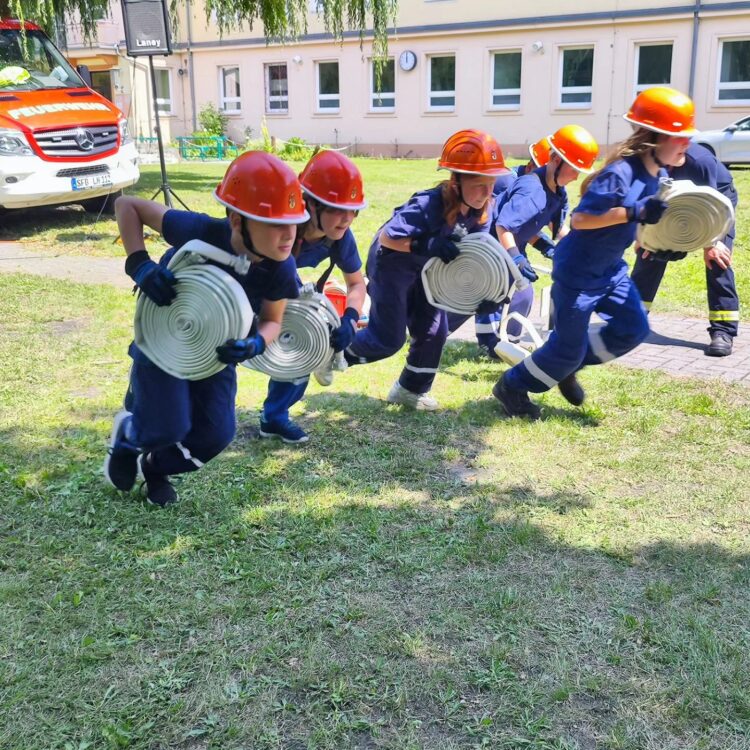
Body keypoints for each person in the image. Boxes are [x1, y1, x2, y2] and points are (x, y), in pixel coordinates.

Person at [103, 151, 308, 506]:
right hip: (165, 340)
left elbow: (272, 320)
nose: (288, 235)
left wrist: (257, 344)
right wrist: (139, 264)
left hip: (215, 354)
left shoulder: (281, 267)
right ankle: (131, 435)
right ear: (236, 219)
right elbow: (127, 207)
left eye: (293, 222)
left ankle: (153, 466)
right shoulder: (201, 232)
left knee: (215, 435)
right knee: (167, 426)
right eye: (273, 223)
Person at [492, 86, 696, 419]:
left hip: (611, 271)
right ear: (657, 139)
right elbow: (582, 220)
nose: (687, 144)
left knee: (633, 328)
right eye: (681, 138)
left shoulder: (660, 173)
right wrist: (634, 213)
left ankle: (565, 365)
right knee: (566, 349)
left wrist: (654, 241)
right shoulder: (619, 175)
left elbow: (644, 218)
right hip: (577, 275)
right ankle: (512, 386)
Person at [343, 128, 509, 410]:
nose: (488, 193)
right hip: (392, 263)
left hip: (426, 270)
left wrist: (487, 292)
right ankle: (332, 353)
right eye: (481, 184)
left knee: (435, 331)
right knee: (387, 339)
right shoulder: (428, 203)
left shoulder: (483, 209)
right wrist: (427, 243)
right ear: (456, 181)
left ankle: (409, 390)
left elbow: (473, 253)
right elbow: (388, 238)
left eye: (492, 184)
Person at [450, 125, 597, 359]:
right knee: (485, 293)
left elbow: (532, 226)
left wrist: (555, 246)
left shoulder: (557, 192)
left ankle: (507, 344)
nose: (577, 176)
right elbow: (504, 225)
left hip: (509, 245)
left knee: (522, 294)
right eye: (574, 169)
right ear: (555, 160)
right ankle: (451, 335)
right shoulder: (532, 190)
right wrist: (516, 258)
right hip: (491, 245)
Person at [259, 150, 367, 444]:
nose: (347, 219)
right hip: (248, 289)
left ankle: (274, 417)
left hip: (283, 296)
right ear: (310, 203)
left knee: (305, 344)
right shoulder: (280, 224)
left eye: (353, 210)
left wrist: (350, 319)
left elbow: (357, 284)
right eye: (336, 208)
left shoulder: (340, 236)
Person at [630, 142, 739, 356]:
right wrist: (643, 236)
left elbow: (711, 207)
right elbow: (640, 200)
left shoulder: (700, 162)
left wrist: (712, 243)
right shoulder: (646, 160)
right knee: (649, 253)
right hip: (670, 200)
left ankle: (723, 332)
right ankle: (631, 320)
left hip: (715, 201)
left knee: (717, 259)